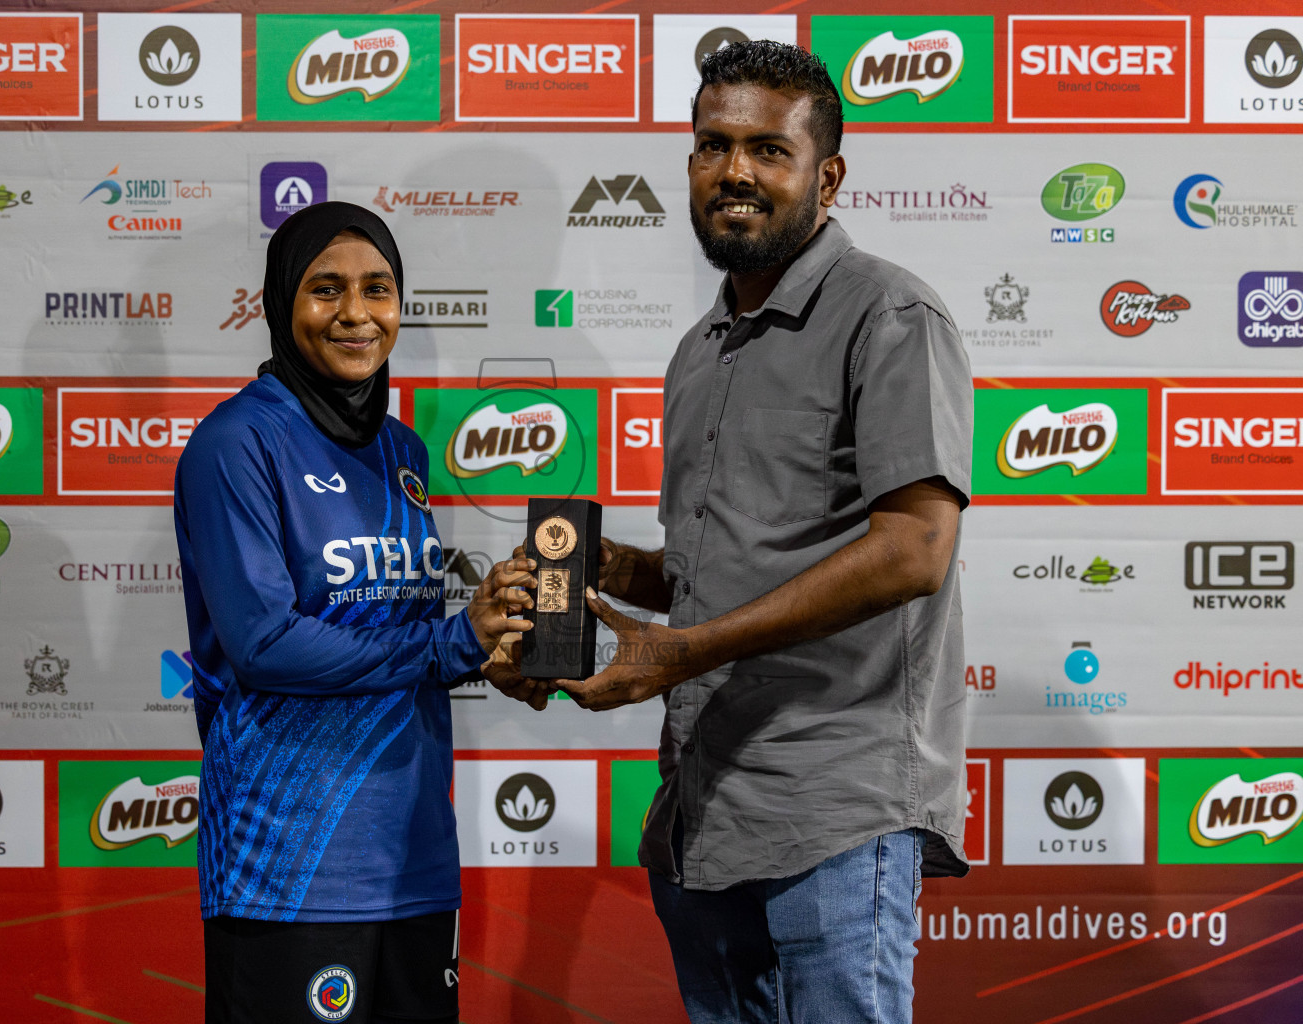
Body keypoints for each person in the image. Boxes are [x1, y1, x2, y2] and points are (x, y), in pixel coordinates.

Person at [488, 40, 973, 1024]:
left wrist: (679, 654)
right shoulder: (698, 351)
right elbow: (726, 565)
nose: (736, 172)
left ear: (826, 175)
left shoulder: (890, 314)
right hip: (704, 813)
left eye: (767, 149)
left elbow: (916, 547)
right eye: (713, 145)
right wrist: (604, 573)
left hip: (835, 811)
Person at [174, 202, 539, 1024]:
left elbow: (401, 635)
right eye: (325, 289)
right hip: (289, 865)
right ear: (279, 304)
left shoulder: (403, 451)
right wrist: (450, 641)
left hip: (412, 854)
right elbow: (265, 643)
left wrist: (496, 644)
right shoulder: (236, 443)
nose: (355, 314)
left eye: (378, 289)